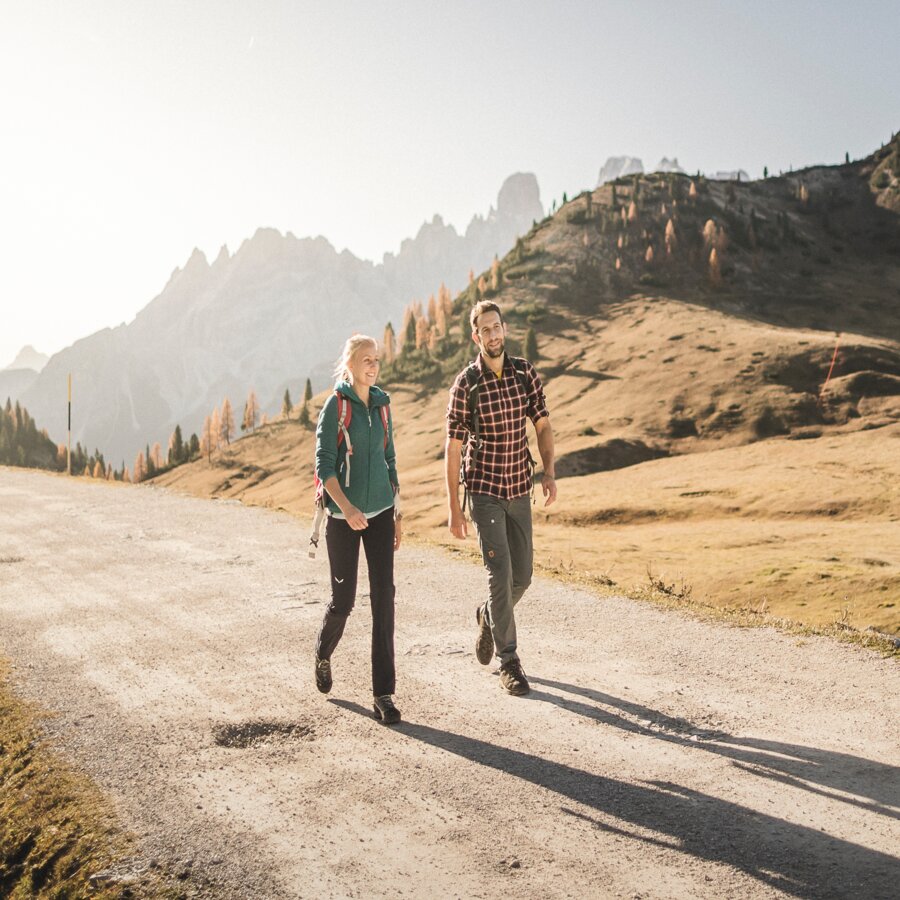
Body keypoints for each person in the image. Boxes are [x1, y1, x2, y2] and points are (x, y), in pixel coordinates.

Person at [445, 300, 556, 696]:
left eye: (497, 327)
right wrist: (454, 509)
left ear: (504, 329)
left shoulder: (524, 373)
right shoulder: (467, 383)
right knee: (500, 572)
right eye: (484, 330)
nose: (492, 335)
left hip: (518, 488)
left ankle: (487, 616)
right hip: (484, 491)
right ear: (476, 337)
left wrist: (549, 471)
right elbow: (454, 447)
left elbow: (542, 424)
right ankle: (510, 662)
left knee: (522, 576)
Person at [313, 335, 403, 724]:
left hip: (382, 512)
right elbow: (324, 466)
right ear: (349, 364)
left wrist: (398, 513)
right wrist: (346, 507)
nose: (373, 365)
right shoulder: (336, 406)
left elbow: (390, 458)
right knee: (344, 601)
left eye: (376, 360)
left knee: (384, 597)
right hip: (342, 518)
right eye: (366, 359)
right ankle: (322, 652)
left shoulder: (382, 406)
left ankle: (383, 693)